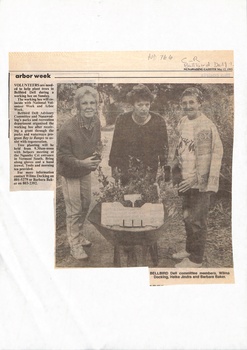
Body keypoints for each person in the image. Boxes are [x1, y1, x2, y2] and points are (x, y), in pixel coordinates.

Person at [172, 87, 223, 268]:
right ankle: (189, 249)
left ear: (199, 103)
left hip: (199, 183)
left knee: (197, 220)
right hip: (185, 179)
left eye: (192, 102)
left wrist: (194, 179)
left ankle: (196, 259)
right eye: (184, 103)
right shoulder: (183, 122)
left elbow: (211, 157)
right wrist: (177, 174)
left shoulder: (206, 125)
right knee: (187, 217)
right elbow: (179, 150)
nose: (188, 106)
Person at [57, 86, 101, 260]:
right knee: (74, 209)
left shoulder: (96, 121)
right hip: (69, 172)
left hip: (84, 171)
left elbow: (97, 142)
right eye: (85, 103)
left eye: (92, 102)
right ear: (78, 106)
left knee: (85, 204)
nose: (89, 106)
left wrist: (98, 154)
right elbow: (61, 156)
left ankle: (79, 235)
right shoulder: (67, 128)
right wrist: (81, 162)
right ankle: (74, 244)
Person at [109, 84, 169, 185]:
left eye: (147, 104)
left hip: (150, 169)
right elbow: (116, 146)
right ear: (133, 104)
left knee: (148, 198)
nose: (144, 108)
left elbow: (164, 149)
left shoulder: (158, 121)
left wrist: (166, 175)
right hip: (126, 169)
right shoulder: (122, 120)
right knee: (127, 197)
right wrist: (113, 167)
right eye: (140, 105)